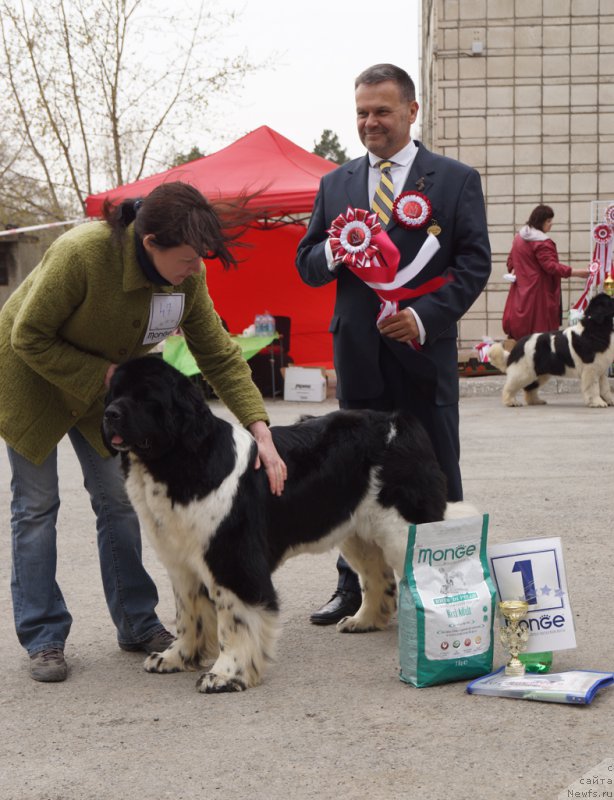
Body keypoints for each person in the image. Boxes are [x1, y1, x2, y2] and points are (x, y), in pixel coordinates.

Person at [0, 181, 287, 682]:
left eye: (200, 259)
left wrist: (260, 430)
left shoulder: (186, 278)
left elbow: (218, 353)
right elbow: (28, 334)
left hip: (112, 395)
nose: (195, 268)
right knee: (37, 507)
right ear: (150, 242)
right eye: (188, 258)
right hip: (32, 380)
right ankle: (44, 636)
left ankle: (136, 622)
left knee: (118, 500)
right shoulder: (82, 253)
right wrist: (110, 376)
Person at [295, 63, 491, 625]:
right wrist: (337, 249)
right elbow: (307, 263)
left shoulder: (454, 179)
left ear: (411, 110)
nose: (370, 122)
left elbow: (474, 263)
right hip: (358, 356)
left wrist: (424, 316)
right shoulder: (335, 184)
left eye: (382, 111)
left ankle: (447, 590)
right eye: (361, 112)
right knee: (352, 476)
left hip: (423, 355)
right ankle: (356, 590)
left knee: (435, 470)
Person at [502, 204, 589, 340]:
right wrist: (577, 272)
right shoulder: (542, 243)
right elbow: (551, 267)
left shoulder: (519, 238)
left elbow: (510, 261)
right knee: (541, 332)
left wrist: (517, 269)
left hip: (521, 290)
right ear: (540, 221)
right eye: (548, 221)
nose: (551, 224)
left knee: (521, 329)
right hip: (540, 292)